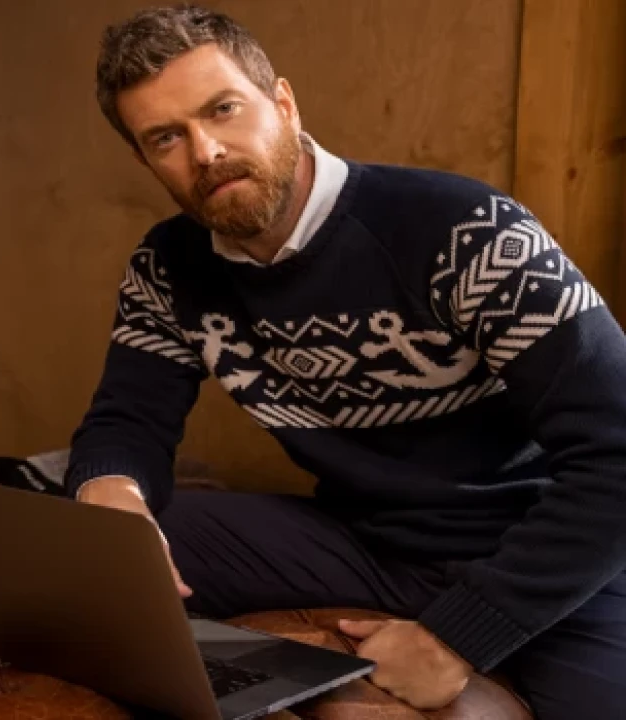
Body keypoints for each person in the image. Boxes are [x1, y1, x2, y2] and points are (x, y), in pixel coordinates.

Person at [64, 6, 626, 718]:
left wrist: (456, 638)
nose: (205, 152)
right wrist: (110, 496)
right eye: (166, 137)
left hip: (536, 547)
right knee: (94, 565)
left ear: (283, 104)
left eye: (223, 109)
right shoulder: (169, 265)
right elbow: (127, 420)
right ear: (145, 159)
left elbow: (618, 452)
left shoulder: (467, 232)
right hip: (360, 540)